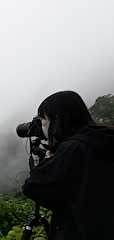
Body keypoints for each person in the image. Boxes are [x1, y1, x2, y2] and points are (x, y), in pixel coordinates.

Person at [22, 90, 114, 239]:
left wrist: (48, 161)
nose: (42, 125)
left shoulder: (74, 148)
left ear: (57, 119)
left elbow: (33, 186)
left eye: (43, 120)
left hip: (80, 230)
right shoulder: (103, 138)